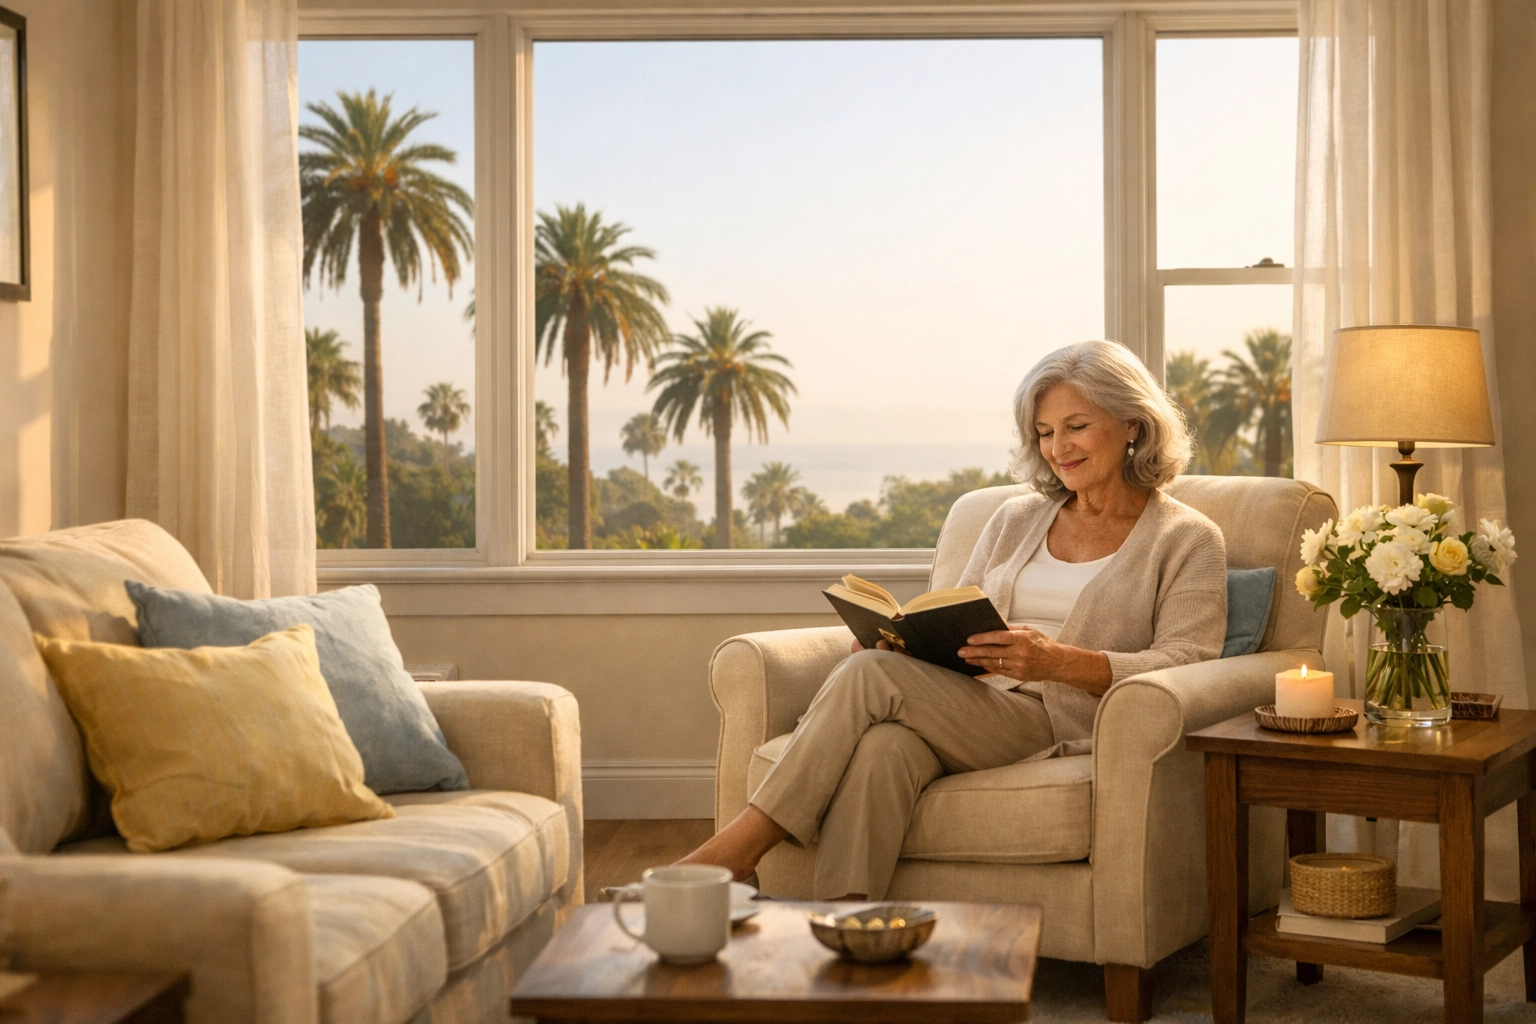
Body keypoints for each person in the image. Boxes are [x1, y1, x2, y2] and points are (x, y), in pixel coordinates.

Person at [676, 340, 1228, 900]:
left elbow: (1189, 663)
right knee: (884, 747)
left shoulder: (1187, 539)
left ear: (1132, 423)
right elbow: (948, 612)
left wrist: (1059, 662)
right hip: (971, 701)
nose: (1058, 448)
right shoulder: (1015, 518)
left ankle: (736, 851)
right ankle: (847, 926)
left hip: (1061, 720)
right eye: (1044, 432)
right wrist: (903, 647)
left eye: (1076, 426)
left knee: (869, 676)